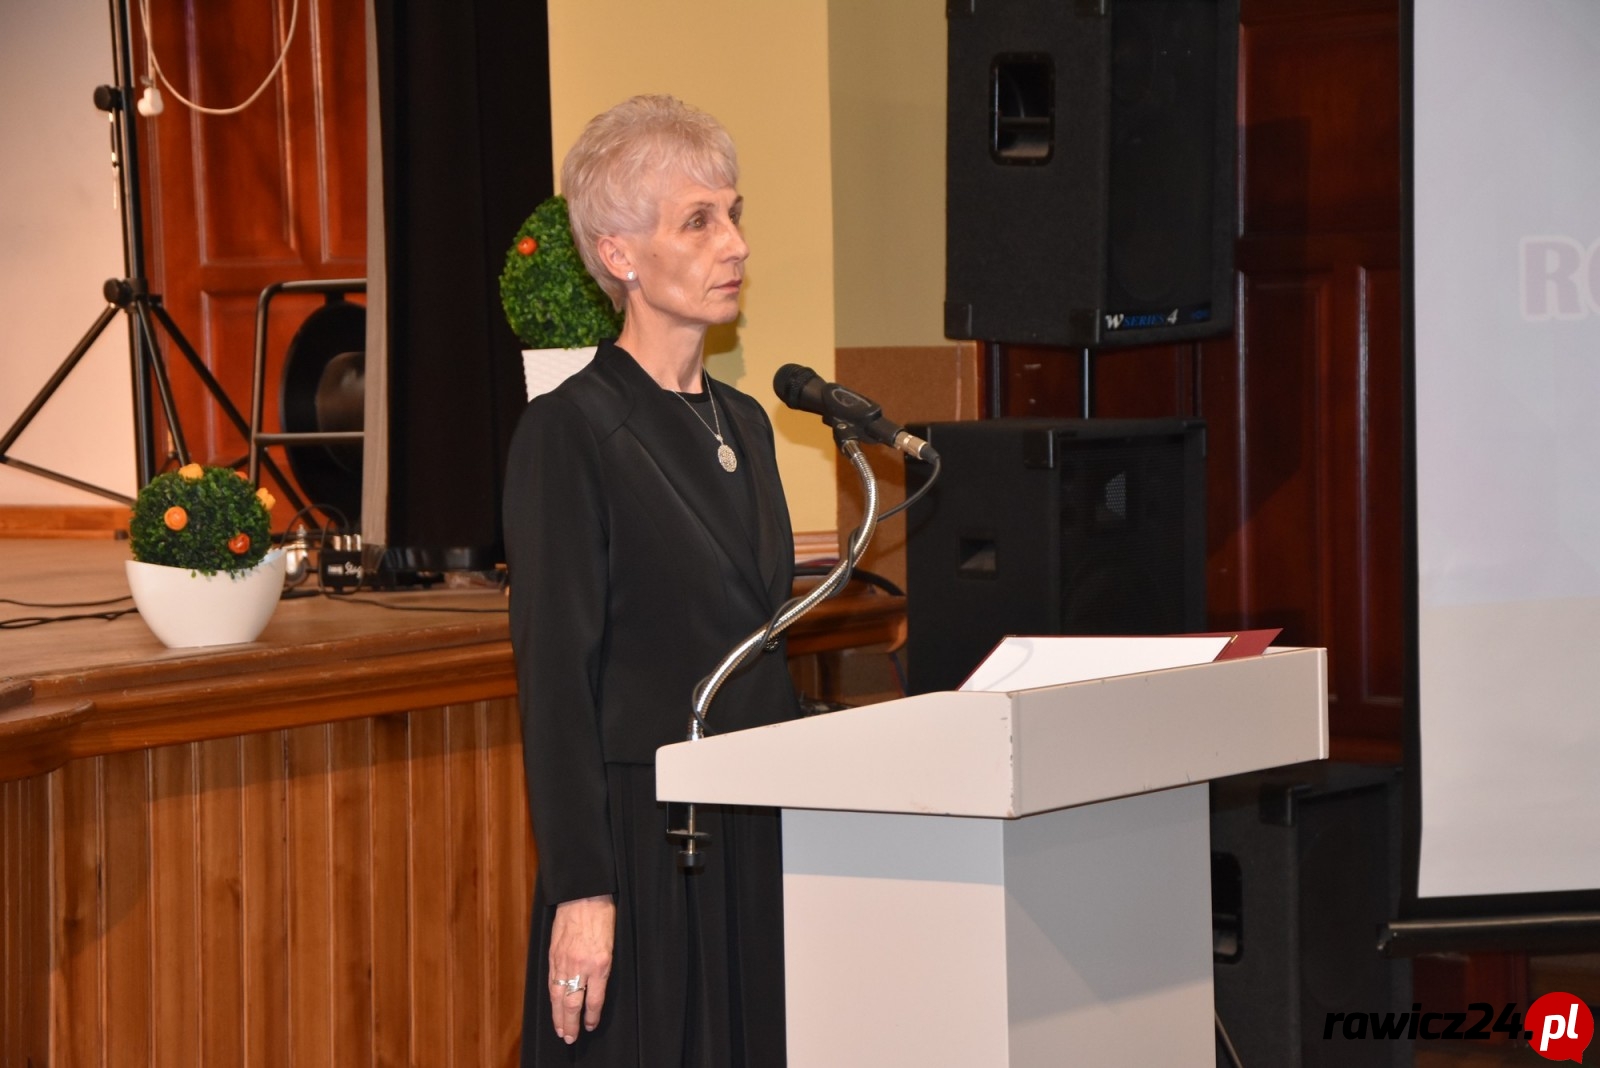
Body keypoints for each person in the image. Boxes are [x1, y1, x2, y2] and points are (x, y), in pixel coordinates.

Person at [502, 95, 799, 1067]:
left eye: (733, 214)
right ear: (618, 254)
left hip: (755, 830)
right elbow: (555, 681)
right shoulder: (570, 432)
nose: (735, 244)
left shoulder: (748, 423)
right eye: (698, 221)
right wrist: (583, 890)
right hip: (646, 842)